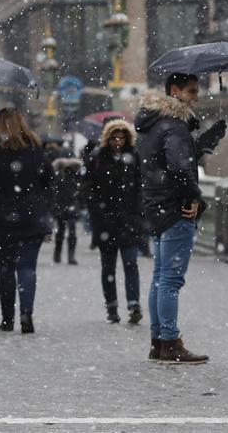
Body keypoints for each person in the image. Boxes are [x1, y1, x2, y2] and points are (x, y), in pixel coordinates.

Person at [135, 73, 226, 364]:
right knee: (170, 281)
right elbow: (178, 166)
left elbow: (171, 159)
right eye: (191, 91)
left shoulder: (152, 123)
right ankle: (171, 342)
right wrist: (195, 198)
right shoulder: (174, 126)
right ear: (174, 91)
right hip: (176, 209)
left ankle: (158, 342)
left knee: (160, 279)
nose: (196, 97)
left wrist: (204, 142)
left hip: (156, 206)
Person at [0, 108, 53, 334]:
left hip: (1, 219)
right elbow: (49, 181)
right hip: (31, 217)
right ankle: (26, 314)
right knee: (27, 267)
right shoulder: (35, 150)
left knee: (5, 268)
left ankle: (7, 317)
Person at [83, 118, 144, 325]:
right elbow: (88, 188)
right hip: (106, 221)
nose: (118, 141)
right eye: (114, 138)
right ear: (108, 139)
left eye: (122, 137)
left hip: (127, 220)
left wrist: (137, 214)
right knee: (108, 266)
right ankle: (112, 307)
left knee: (130, 263)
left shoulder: (134, 157)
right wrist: (97, 212)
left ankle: (133, 303)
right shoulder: (98, 158)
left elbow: (139, 187)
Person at [48, 141, 82, 264]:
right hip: (64, 204)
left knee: (69, 231)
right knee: (62, 231)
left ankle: (67, 255)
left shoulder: (74, 173)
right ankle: (61, 253)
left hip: (69, 204)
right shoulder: (58, 173)